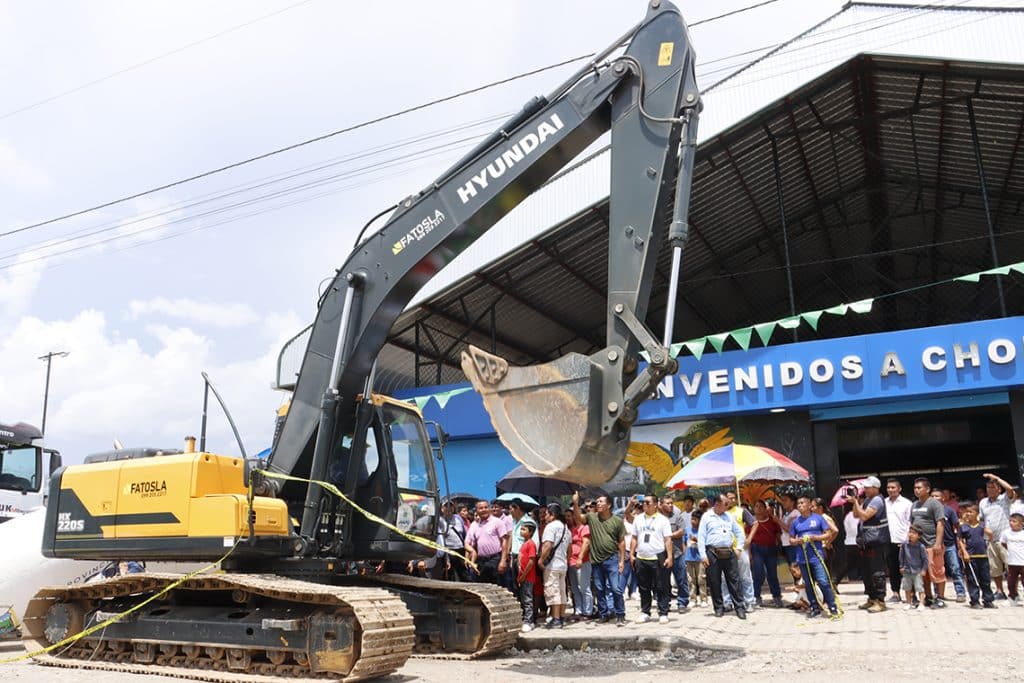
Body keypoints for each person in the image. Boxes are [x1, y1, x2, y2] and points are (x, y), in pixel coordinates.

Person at [573, 492, 627, 626]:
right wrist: (575, 503)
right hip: (596, 561)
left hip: (612, 559)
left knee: (615, 588)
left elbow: (621, 542)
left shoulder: (617, 521)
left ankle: (620, 614)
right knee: (599, 588)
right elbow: (579, 518)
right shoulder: (592, 517)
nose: (598, 503)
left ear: (609, 505)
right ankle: (604, 614)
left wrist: (621, 560)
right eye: (597, 502)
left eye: (601, 501)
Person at [790, 494, 840, 619]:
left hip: (816, 557)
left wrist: (815, 538)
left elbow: (828, 534)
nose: (800, 505)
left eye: (802, 503)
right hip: (802, 558)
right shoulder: (795, 522)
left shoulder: (818, 519)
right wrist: (797, 541)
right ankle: (814, 607)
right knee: (809, 584)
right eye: (798, 504)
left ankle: (832, 606)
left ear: (809, 505)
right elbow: (791, 539)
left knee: (823, 581)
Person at [698, 494, 747, 620]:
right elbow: (701, 537)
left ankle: (739, 608)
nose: (728, 506)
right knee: (714, 581)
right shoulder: (706, 516)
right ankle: (718, 608)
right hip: (712, 552)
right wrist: (703, 555)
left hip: (729, 552)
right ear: (718, 504)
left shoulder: (729, 516)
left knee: (734, 581)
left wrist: (739, 548)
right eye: (726, 504)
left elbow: (739, 533)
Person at [847, 476, 889, 612]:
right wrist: (855, 503)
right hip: (866, 541)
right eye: (864, 487)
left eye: (867, 487)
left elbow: (864, 516)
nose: (865, 489)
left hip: (876, 541)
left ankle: (880, 601)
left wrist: (856, 502)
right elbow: (856, 515)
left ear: (876, 488)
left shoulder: (877, 500)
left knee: (877, 572)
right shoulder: (867, 500)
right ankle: (872, 598)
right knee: (866, 572)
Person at [631, 495, 673, 624]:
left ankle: (663, 612)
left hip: (657, 557)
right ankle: (645, 612)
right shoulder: (638, 519)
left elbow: (668, 539)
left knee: (661, 586)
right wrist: (632, 554)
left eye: (647, 502)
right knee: (644, 587)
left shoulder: (662, 520)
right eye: (643, 502)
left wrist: (669, 557)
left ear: (655, 504)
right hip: (641, 557)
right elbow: (634, 537)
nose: (644, 504)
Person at [979, 472, 1018, 600]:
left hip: (1005, 540)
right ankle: (1000, 591)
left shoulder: (1004, 499)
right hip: (990, 540)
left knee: (1010, 567)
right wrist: (984, 529)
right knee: (994, 568)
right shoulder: (983, 502)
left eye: (993, 487)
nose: (990, 490)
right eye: (988, 488)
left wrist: (997, 478)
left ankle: (1013, 592)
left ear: (999, 489)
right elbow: (981, 519)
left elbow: (1010, 489)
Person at [910, 477, 946, 608]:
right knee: (924, 574)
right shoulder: (914, 505)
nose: (917, 490)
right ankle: (929, 597)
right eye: (915, 488)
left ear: (927, 489)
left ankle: (940, 598)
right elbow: (912, 524)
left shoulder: (934, 504)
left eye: (919, 488)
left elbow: (940, 523)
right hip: (919, 546)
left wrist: (938, 543)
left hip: (932, 544)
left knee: (937, 572)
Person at [930, 489, 967, 603]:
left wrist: (960, 540)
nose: (934, 498)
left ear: (943, 498)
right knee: (937, 570)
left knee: (955, 569)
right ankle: (938, 593)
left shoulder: (949, 510)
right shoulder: (929, 511)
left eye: (937, 496)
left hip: (949, 544)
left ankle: (960, 593)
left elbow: (957, 526)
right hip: (935, 545)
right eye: (932, 496)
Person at [957, 501, 996, 609]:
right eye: (967, 512)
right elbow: (960, 540)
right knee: (972, 579)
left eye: (971, 512)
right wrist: (964, 552)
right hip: (971, 557)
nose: (968, 514)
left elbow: (990, 534)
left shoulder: (982, 525)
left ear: (977, 513)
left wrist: (988, 539)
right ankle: (974, 600)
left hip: (982, 556)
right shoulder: (964, 527)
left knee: (985, 579)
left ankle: (988, 600)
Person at [723, 490, 756, 612]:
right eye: (729, 498)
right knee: (724, 577)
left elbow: (755, 523)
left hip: (740, 548)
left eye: (734, 498)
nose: (732, 500)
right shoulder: (720, 513)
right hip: (724, 549)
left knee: (745, 576)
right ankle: (727, 602)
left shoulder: (741, 511)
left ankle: (749, 602)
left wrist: (749, 539)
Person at [539, 503, 570, 628]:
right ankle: (561, 617)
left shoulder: (550, 527)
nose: (545, 516)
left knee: (553, 591)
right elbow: (569, 549)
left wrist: (541, 560)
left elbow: (548, 545)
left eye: (546, 514)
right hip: (563, 565)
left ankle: (556, 619)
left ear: (552, 515)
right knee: (562, 591)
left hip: (552, 565)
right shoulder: (565, 528)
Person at [747, 500, 783, 607]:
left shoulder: (772, 520)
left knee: (772, 574)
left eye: (761, 506)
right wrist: (749, 553)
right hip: (756, 549)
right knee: (758, 573)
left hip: (771, 549)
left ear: (765, 508)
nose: (758, 508)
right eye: (756, 506)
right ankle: (756, 597)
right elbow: (747, 538)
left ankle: (777, 597)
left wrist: (778, 545)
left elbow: (778, 534)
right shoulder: (750, 521)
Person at [464, 500, 509, 585]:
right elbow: (466, 543)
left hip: (495, 559)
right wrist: (472, 551)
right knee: (483, 587)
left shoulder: (497, 522)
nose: (484, 510)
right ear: (476, 510)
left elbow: (504, 541)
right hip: (481, 561)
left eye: (486, 507)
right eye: (481, 508)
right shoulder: (474, 525)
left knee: (498, 587)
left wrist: (503, 561)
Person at [884, 478, 913, 603]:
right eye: (888, 488)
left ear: (899, 489)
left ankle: (912, 594)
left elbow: (910, 522)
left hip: (903, 540)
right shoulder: (884, 503)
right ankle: (895, 593)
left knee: (907, 568)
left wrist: (908, 539)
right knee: (893, 568)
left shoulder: (907, 503)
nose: (890, 490)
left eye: (893, 487)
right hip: (889, 540)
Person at [659, 495, 690, 612]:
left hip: (677, 553)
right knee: (663, 581)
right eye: (667, 503)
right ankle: (665, 604)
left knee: (681, 579)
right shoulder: (657, 518)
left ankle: (682, 602)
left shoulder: (677, 516)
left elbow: (682, 531)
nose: (670, 505)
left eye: (671, 503)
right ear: (661, 505)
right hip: (662, 554)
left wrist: (668, 536)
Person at [564, 508, 593, 621]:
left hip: (583, 561)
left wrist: (580, 558)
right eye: (566, 516)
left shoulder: (584, 528)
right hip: (571, 562)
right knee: (575, 588)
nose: (568, 518)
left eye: (569, 516)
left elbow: (586, 543)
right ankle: (578, 610)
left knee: (584, 587)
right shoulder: (568, 530)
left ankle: (588, 611)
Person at [517, 518, 539, 632]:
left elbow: (531, 561)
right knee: (524, 598)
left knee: (527, 599)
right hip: (522, 576)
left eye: (524, 529)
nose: (521, 531)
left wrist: (524, 575)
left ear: (530, 532)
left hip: (528, 577)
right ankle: (527, 620)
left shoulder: (531, 544)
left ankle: (528, 621)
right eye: (521, 529)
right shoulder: (524, 543)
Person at [899, 525, 928, 611]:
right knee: (907, 587)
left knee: (919, 587)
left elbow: (925, 559)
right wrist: (901, 566)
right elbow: (901, 556)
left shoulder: (921, 546)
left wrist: (924, 569)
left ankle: (921, 603)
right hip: (907, 569)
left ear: (919, 536)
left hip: (917, 570)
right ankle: (908, 603)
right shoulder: (904, 545)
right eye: (910, 532)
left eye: (914, 533)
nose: (911, 534)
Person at [439, 501, 469, 581]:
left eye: (451, 506)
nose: (449, 508)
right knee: (451, 575)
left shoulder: (458, 518)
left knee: (464, 574)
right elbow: (441, 539)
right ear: (442, 509)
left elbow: (464, 534)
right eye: (446, 506)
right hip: (449, 551)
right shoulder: (440, 521)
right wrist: (446, 558)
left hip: (461, 550)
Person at [684, 511, 707, 606]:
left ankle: (703, 599)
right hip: (689, 558)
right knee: (690, 580)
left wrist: (696, 540)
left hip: (700, 558)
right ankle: (693, 599)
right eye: (692, 519)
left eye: (695, 519)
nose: (692, 521)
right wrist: (684, 555)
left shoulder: (703, 530)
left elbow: (706, 543)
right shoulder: (687, 529)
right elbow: (684, 543)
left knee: (701, 579)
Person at [1001, 512, 1024, 605]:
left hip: (1023, 562)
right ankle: (1012, 597)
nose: (1011, 523)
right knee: (1011, 581)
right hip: (1012, 562)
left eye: (1014, 521)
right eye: (1010, 521)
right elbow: (1003, 543)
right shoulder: (1006, 533)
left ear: (1021, 523)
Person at [621, 501, 639, 600]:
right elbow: (626, 512)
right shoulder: (625, 522)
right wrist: (630, 503)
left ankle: (633, 591)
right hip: (626, 549)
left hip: (638, 550)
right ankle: (622, 591)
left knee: (635, 572)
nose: (636, 512)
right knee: (625, 571)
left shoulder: (639, 521)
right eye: (634, 510)